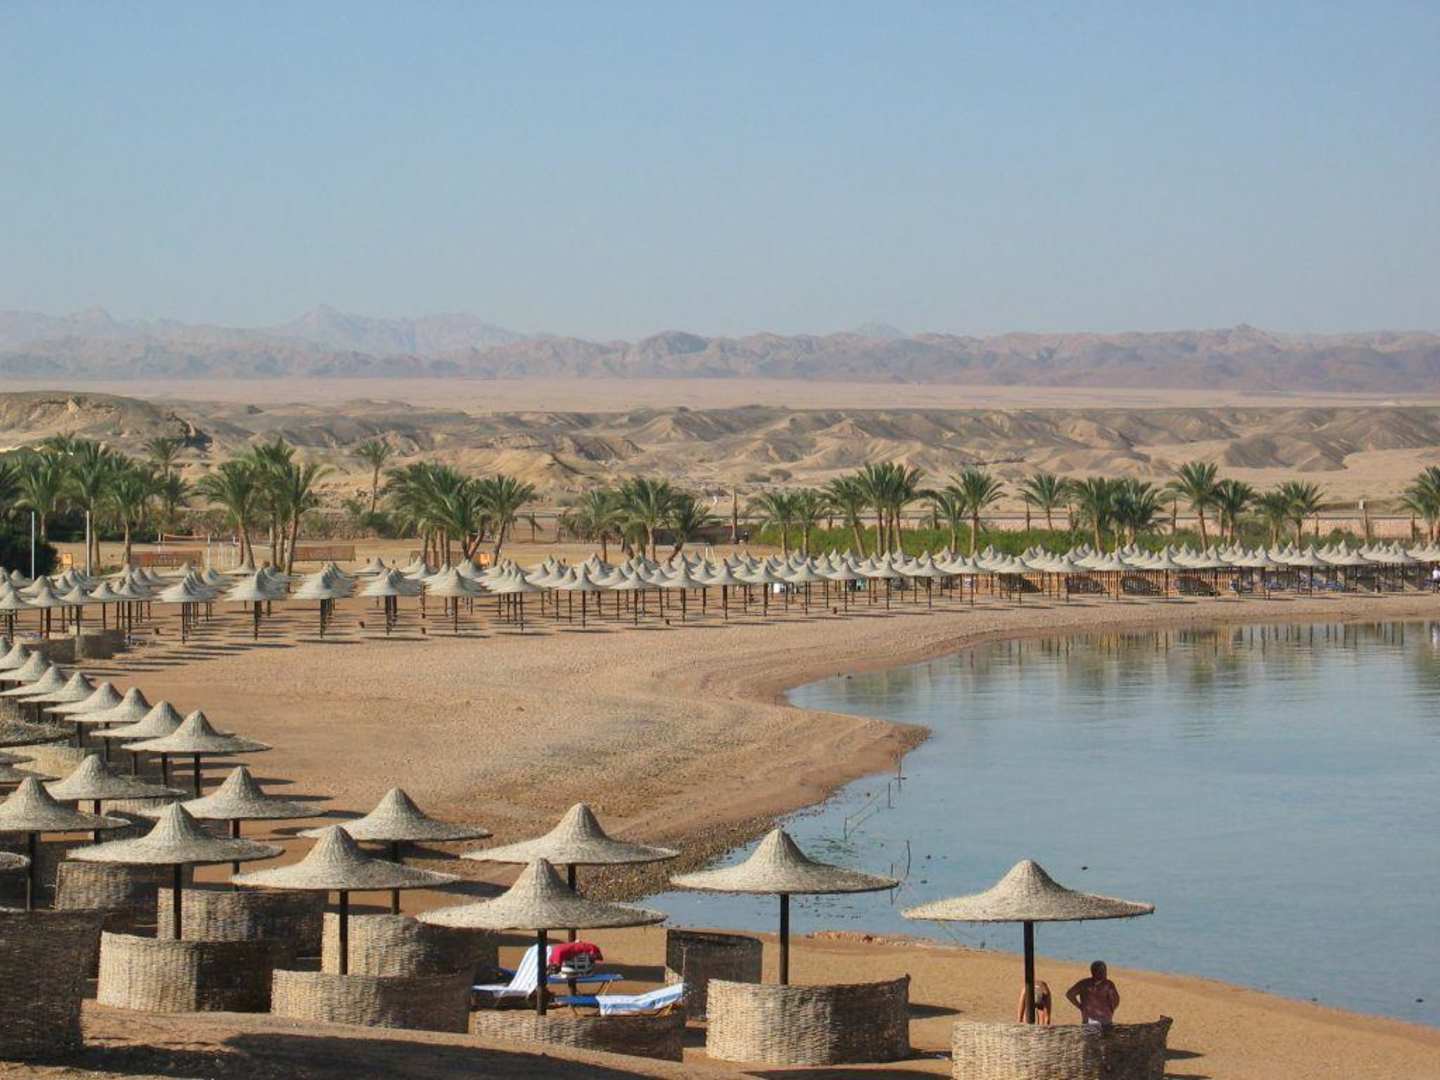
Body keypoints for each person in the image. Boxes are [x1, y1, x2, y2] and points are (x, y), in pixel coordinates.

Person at [1066, 961, 1120, 1026]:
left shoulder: (1083, 983)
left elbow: (1070, 994)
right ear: (1094, 972)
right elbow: (1115, 1000)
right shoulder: (1108, 984)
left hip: (1090, 1018)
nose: (1104, 973)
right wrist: (1111, 1010)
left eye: (1104, 971)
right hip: (1104, 1019)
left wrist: (1081, 1007)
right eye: (1101, 971)